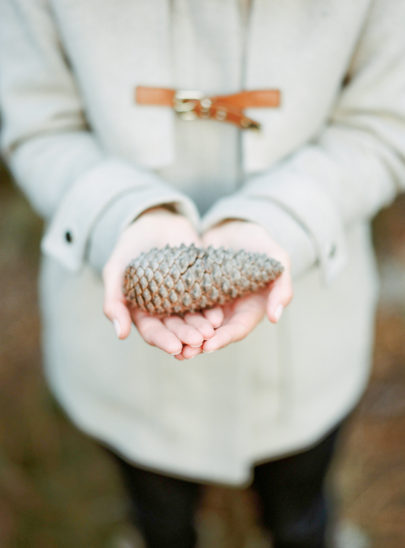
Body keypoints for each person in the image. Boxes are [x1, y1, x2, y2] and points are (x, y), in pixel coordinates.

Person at [1, 1, 405, 546]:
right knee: (158, 511)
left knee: (301, 509)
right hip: (123, 370)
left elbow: (383, 121)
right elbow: (35, 123)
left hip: (307, 355)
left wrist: (285, 219)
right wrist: (122, 215)